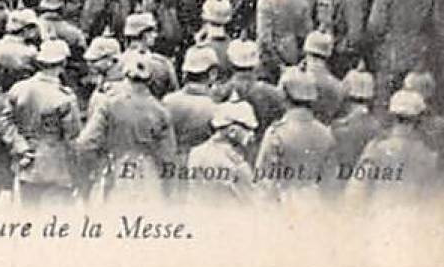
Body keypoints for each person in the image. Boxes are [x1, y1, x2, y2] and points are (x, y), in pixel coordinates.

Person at [75, 52, 177, 202]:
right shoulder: (161, 112)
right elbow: (168, 158)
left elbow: (85, 144)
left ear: (125, 75)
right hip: (148, 180)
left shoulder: (109, 104)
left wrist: (88, 176)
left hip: (114, 174)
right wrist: (167, 192)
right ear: (150, 79)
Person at [0, 38, 81, 205]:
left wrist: (19, 145)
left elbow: (5, 122)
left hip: (27, 163)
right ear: (63, 63)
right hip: (57, 166)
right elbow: (72, 137)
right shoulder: (64, 97)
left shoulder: (19, 88)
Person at [253, 68, 335, 203]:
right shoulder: (326, 133)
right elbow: (331, 183)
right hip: (316, 206)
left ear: (284, 95)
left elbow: (264, 182)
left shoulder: (277, 134)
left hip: (284, 205)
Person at [345, 90, 438, 200]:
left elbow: (355, 192)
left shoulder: (375, 149)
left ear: (392, 115)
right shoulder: (429, 156)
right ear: (419, 118)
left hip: (378, 213)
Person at [183, 101, 259, 205]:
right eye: (248, 129)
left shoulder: (196, 152)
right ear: (232, 131)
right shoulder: (235, 162)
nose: (252, 135)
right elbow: (253, 201)